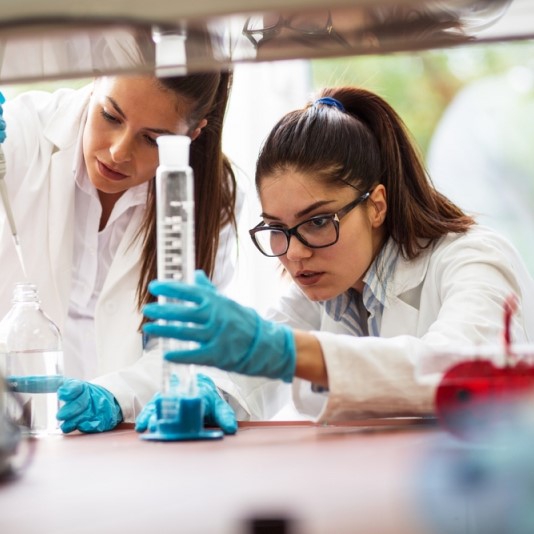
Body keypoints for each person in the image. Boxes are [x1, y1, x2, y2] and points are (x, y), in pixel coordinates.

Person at [139, 86, 534, 423]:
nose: (293, 253)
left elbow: (456, 371)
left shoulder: (475, 260)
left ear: (376, 205)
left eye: (317, 222)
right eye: (277, 229)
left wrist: (286, 350)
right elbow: (250, 377)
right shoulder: (333, 288)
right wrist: (209, 393)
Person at [0, 68, 241, 434]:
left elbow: (183, 348)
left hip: (128, 443)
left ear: (191, 135)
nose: (118, 151)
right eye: (111, 116)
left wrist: (115, 395)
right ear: (95, 79)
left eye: (151, 139)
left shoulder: (210, 199)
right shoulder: (19, 135)